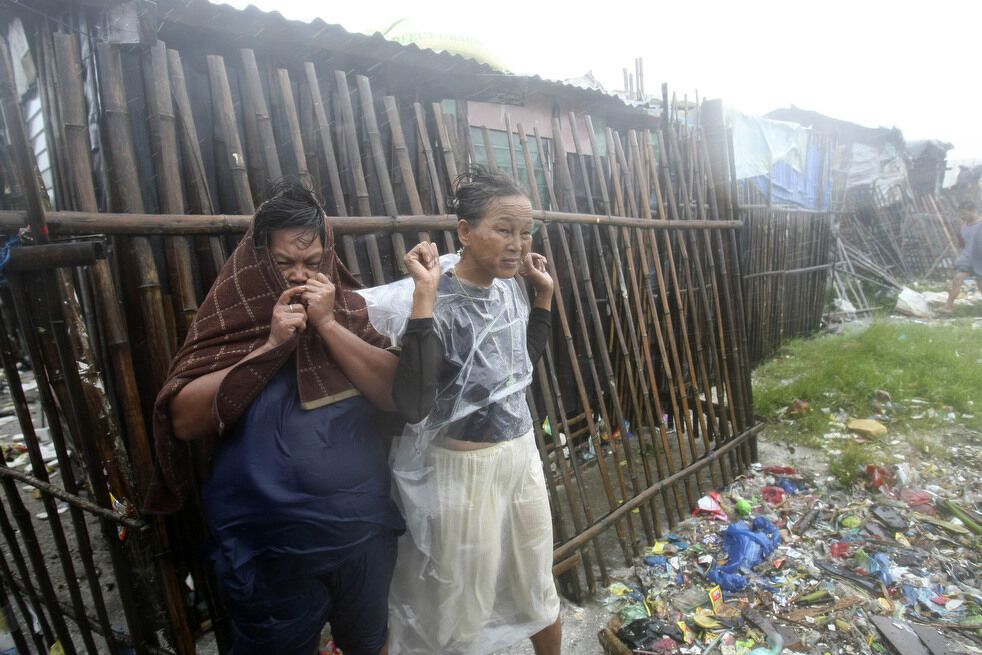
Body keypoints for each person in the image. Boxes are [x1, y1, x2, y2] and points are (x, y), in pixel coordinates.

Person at [146, 180, 405, 655]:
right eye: (284, 263)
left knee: (370, 644)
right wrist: (270, 347)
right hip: (266, 548)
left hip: (360, 533)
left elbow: (393, 395)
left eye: (312, 263)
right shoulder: (233, 314)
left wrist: (326, 325)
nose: (299, 277)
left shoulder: (349, 311)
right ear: (259, 258)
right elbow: (182, 421)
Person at [356, 166, 561, 655]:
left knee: (536, 582)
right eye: (504, 229)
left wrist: (544, 295)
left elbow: (520, 367)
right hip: (462, 477)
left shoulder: (507, 288)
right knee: (456, 606)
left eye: (526, 232)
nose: (517, 244)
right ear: (465, 232)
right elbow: (413, 403)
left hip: (519, 460)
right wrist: (424, 298)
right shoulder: (439, 301)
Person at [942, 200, 982, 312]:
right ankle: (948, 306)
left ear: (974, 211)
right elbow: (962, 244)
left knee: (981, 285)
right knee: (957, 280)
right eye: (960, 214)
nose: (962, 216)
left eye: (964, 213)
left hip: (980, 260)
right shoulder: (962, 227)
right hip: (968, 259)